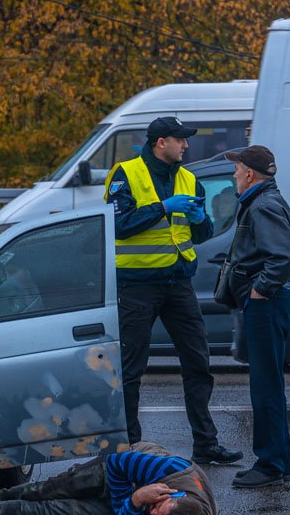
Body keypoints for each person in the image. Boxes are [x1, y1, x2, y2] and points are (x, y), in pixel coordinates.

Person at [103, 116, 242, 465]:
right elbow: (118, 225)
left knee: (198, 362)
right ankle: (129, 447)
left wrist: (199, 222)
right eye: (181, 140)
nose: (186, 146)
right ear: (160, 142)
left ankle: (206, 445)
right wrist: (163, 207)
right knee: (131, 369)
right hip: (136, 286)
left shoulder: (189, 178)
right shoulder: (126, 173)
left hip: (179, 284)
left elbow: (201, 233)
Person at [223, 146, 290, 489]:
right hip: (269, 303)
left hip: (266, 305)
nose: (234, 175)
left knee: (266, 388)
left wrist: (260, 289)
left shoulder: (263, 204)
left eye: (237, 169)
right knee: (269, 386)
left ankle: (270, 465)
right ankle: (275, 462)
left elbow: (285, 251)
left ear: (250, 174)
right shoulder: (269, 200)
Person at [0, 442, 217, 515]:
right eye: (159, 511)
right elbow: (118, 465)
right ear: (171, 496)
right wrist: (134, 498)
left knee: (51, 513)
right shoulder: (171, 470)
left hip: (130, 498)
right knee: (47, 490)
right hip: (116, 470)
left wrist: (135, 502)